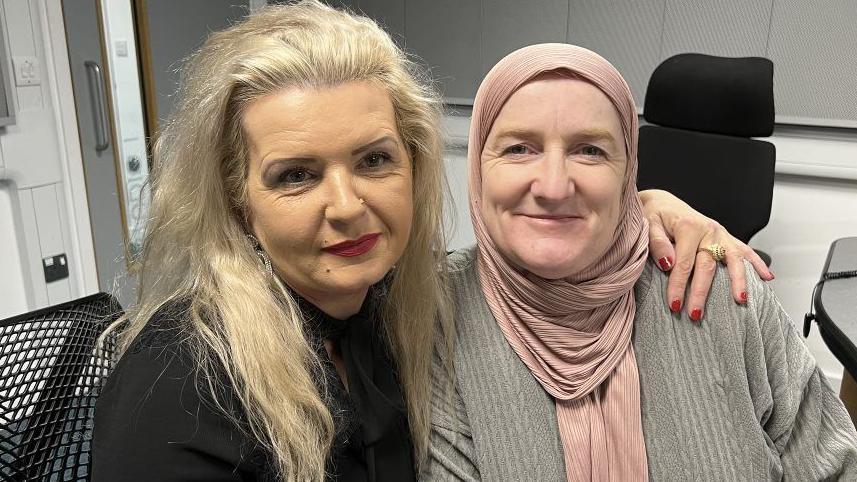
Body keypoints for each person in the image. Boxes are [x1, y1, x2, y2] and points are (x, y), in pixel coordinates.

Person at [92, 3, 771, 481]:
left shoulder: (398, 312)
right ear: (239, 202)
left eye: (373, 160)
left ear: (415, 167)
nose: (347, 205)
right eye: (296, 176)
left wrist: (642, 209)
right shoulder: (181, 380)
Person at [426, 44, 857, 481]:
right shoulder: (431, 321)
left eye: (590, 151)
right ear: (478, 166)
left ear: (628, 171)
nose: (553, 187)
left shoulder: (724, 296)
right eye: (519, 148)